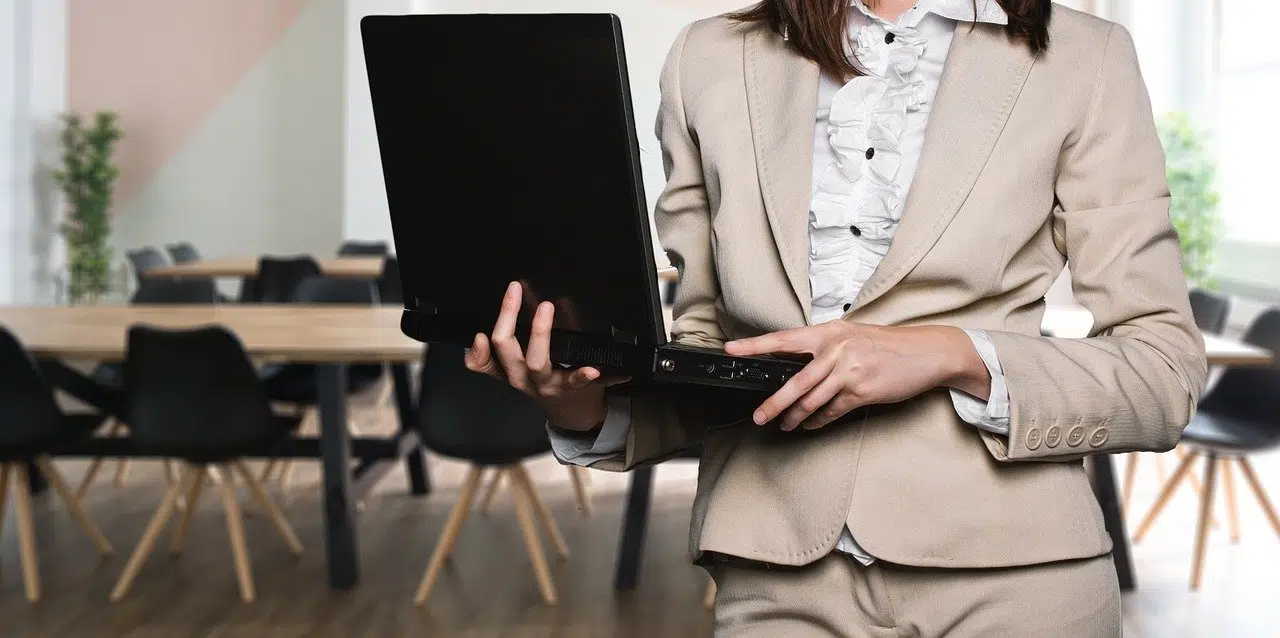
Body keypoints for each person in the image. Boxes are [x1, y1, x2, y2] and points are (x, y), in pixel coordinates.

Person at [465, 0, 1208, 635]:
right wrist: (583, 403)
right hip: (775, 572)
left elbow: (1163, 370)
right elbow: (710, 355)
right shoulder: (709, 58)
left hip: (1018, 573)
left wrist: (951, 353)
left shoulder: (1086, 57)